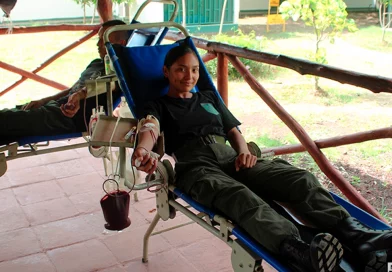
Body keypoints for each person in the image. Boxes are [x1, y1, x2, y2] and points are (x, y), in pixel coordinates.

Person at [131, 44, 392, 272]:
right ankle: (299, 251)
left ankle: (357, 236)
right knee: (241, 197)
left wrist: (244, 151)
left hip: (233, 158)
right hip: (197, 167)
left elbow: (232, 130)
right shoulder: (158, 105)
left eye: (195, 69)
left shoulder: (208, 97)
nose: (189, 76)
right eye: (180, 69)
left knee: (299, 179)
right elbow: (149, 128)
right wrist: (143, 149)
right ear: (166, 71)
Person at [0, 19, 129, 145]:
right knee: (8, 121)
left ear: (121, 43)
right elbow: (70, 90)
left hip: (69, 119)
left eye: (103, 40)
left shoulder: (122, 70)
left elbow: (111, 84)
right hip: (53, 108)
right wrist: (43, 101)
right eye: (98, 39)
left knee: (6, 119)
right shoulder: (95, 63)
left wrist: (80, 95)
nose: (98, 44)